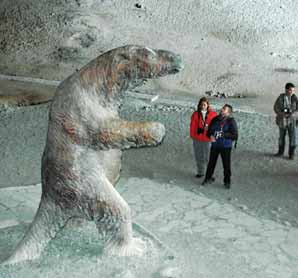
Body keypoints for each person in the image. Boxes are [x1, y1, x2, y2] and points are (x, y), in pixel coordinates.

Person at [202, 104, 238, 189]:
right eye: (222, 108)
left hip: (226, 146)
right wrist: (210, 136)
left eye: (224, 109)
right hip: (215, 145)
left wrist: (223, 134)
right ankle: (208, 178)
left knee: (226, 165)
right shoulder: (215, 119)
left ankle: (227, 181)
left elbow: (235, 135)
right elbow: (209, 131)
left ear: (228, 113)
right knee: (211, 163)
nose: (222, 109)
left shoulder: (231, 121)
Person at [190, 97, 217, 178]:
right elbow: (192, 126)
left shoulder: (213, 115)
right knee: (198, 156)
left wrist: (209, 130)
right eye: (201, 104)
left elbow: (216, 126)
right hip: (197, 139)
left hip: (208, 139)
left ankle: (210, 174)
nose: (203, 106)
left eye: (204, 105)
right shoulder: (195, 114)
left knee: (208, 157)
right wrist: (193, 135)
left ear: (208, 105)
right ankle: (201, 172)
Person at [273, 82, 298, 160]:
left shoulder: (295, 98)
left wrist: (293, 113)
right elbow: (275, 108)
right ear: (286, 90)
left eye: (293, 90)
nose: (292, 92)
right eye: (291, 90)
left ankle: (291, 154)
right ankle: (280, 152)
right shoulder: (280, 98)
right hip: (282, 121)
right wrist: (282, 113)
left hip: (292, 121)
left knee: (293, 138)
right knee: (281, 137)